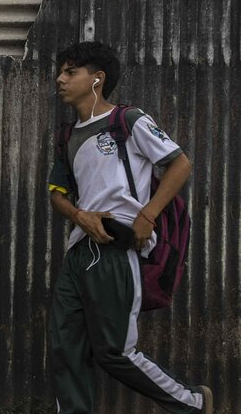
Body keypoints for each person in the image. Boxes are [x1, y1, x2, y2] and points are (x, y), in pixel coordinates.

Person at [47, 41, 211, 413]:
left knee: (115, 351)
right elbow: (56, 195)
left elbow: (179, 164)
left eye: (71, 71)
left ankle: (193, 403)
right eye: (61, 71)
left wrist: (147, 215)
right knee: (65, 349)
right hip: (79, 251)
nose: (60, 79)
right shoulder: (67, 136)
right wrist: (79, 216)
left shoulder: (129, 120)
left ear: (97, 79)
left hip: (117, 246)